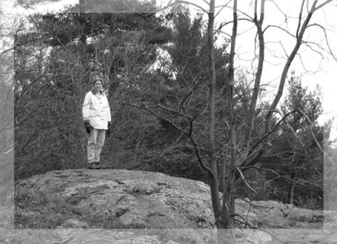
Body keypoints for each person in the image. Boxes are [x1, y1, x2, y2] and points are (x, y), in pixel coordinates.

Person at [82, 77, 112, 169]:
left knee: (100, 143)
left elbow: (107, 109)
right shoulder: (89, 95)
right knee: (92, 142)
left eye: (100, 84)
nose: (98, 85)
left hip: (103, 123)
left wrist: (109, 122)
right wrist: (86, 121)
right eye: (96, 84)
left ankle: (96, 160)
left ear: (102, 85)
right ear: (93, 85)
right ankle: (91, 161)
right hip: (93, 122)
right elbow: (85, 107)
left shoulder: (104, 96)